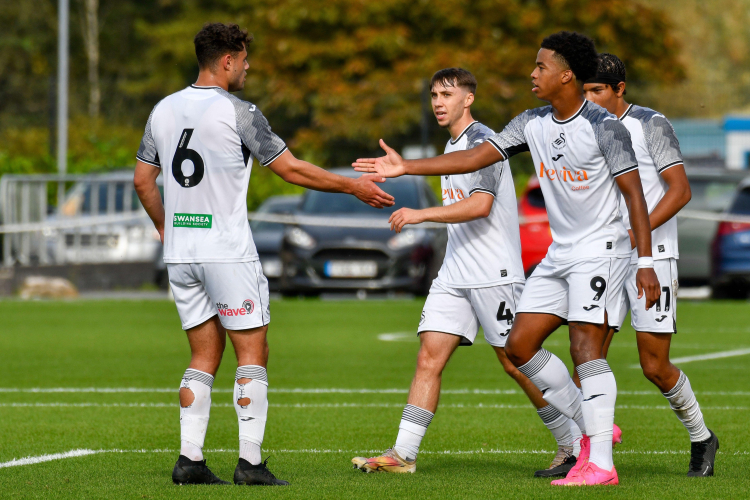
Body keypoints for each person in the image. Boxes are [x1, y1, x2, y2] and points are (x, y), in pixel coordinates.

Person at [353, 31, 661, 486]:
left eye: (540, 66)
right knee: (514, 348)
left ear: (566, 75)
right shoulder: (529, 122)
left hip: (592, 253)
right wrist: (406, 167)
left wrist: (646, 262)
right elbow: (474, 158)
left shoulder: (604, 126)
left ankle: (593, 456)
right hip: (547, 256)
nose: (532, 73)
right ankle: (586, 423)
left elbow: (634, 196)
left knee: (581, 351)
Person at [133, 22, 394, 487]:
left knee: (202, 354)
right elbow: (290, 169)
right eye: (243, 58)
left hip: (182, 254)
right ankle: (250, 465)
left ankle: (189, 460)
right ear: (226, 60)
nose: (248, 66)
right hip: (227, 253)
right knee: (252, 352)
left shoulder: (162, 109)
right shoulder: (240, 112)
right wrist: (352, 186)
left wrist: (165, 228)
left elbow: (142, 180)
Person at [351, 67, 583, 476]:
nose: (438, 102)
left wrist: (421, 214)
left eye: (447, 94)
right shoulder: (452, 144)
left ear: (468, 99)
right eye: (433, 95)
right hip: (455, 274)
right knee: (429, 356)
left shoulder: (484, 143)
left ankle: (575, 442)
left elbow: (480, 205)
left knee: (516, 363)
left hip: (494, 272)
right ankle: (403, 455)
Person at [583, 53, 719, 477]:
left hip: (653, 256)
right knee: (587, 356)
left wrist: (634, 233)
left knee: (654, 366)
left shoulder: (650, 124)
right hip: (603, 257)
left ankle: (702, 436)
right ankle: (585, 452)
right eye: (584, 91)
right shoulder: (582, 126)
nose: (589, 99)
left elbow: (680, 191)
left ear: (619, 89)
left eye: (597, 90)